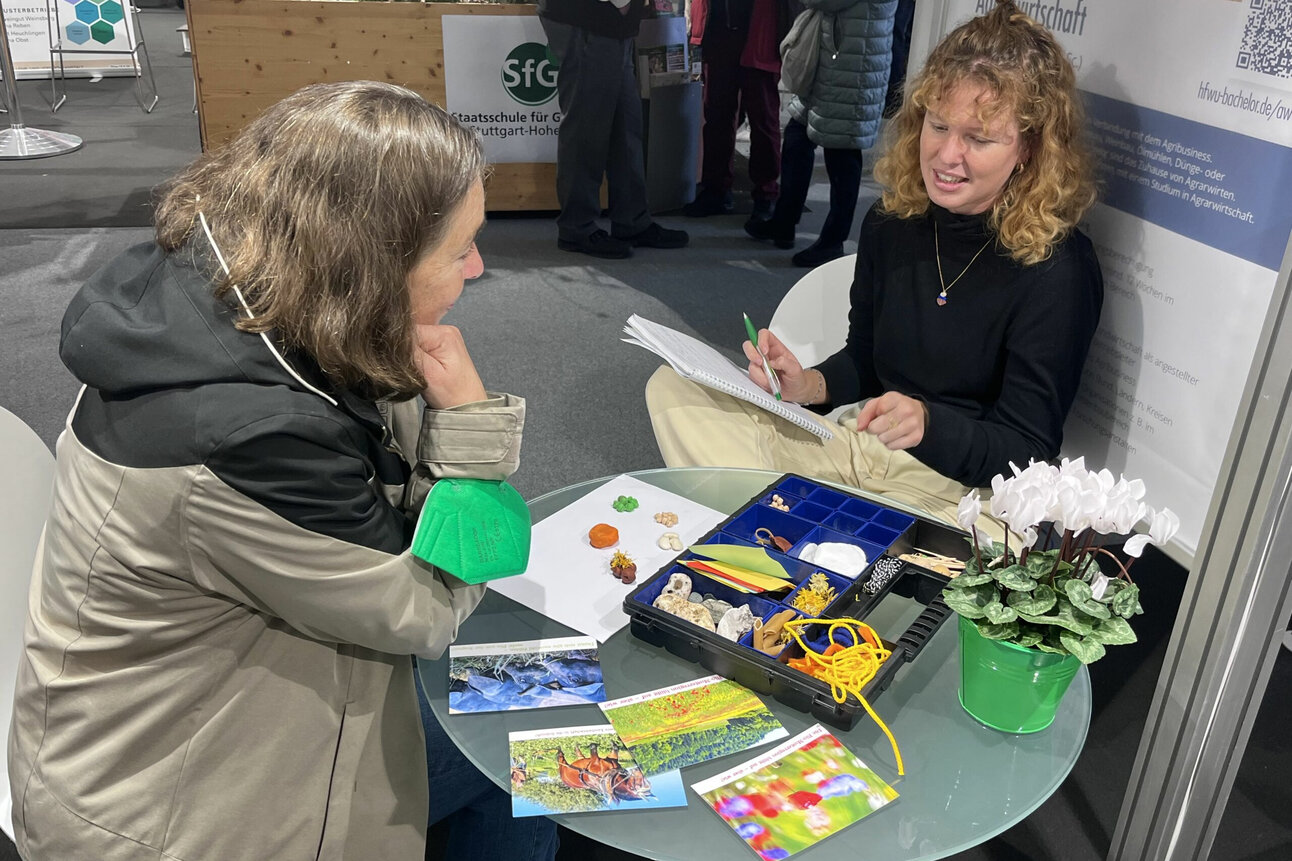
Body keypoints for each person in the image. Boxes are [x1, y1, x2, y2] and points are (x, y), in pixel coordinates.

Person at [7, 81, 555, 861]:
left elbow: (388, 482)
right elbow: (428, 606)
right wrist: (468, 420)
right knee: (530, 742)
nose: (476, 267)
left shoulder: (247, 293)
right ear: (371, 266)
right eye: (457, 248)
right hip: (171, 818)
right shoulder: (259, 435)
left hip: (185, 721)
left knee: (517, 738)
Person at [646, 0, 1103, 528]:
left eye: (978, 139)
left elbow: (1026, 449)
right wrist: (809, 386)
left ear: (1028, 149)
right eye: (937, 125)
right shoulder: (893, 221)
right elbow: (866, 359)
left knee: (983, 549)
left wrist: (928, 425)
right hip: (853, 447)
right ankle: (813, 533)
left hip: (952, 491)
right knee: (673, 388)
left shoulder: (1057, 268)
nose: (946, 155)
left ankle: (795, 529)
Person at [745, 0, 898, 268]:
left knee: (843, 159)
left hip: (853, 70)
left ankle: (832, 242)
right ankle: (784, 223)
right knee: (797, 140)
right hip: (830, 63)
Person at [537, 0, 690, 259]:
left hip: (611, 22)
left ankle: (632, 220)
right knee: (586, 125)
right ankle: (577, 226)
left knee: (626, 126)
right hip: (585, 17)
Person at [683, 0, 801, 220]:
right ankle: (716, 189)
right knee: (716, 113)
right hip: (717, 27)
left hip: (759, 27)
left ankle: (765, 194)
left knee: (763, 117)